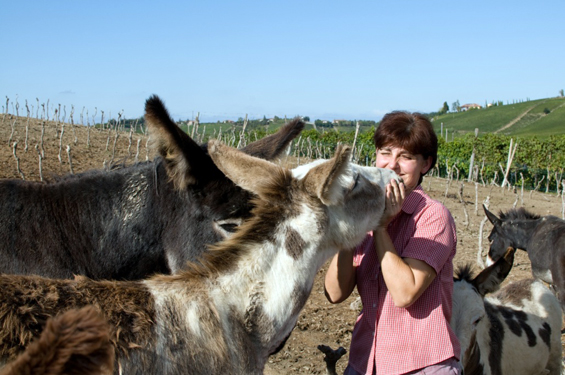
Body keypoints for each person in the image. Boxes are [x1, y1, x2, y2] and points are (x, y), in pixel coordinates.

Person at [324, 111, 461, 375]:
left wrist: (380, 227)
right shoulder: (368, 211)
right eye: (385, 153)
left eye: (406, 157)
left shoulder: (432, 217)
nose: (392, 165)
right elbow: (335, 293)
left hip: (421, 365)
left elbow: (405, 293)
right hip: (365, 362)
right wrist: (350, 227)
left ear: (425, 164)